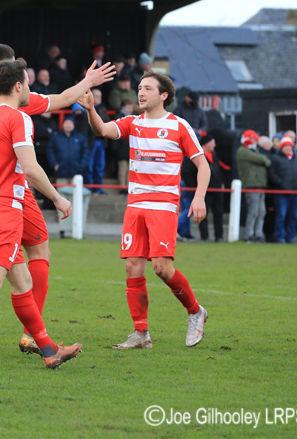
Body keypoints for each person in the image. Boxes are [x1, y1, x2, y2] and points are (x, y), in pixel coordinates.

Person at [0, 43, 114, 355]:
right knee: (33, 252)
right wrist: (87, 82)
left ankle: (41, 347)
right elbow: (60, 103)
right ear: (16, 80)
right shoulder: (18, 108)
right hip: (8, 197)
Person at [0, 59, 80, 371]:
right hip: (5, 209)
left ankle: (48, 349)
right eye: (28, 83)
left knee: (22, 284)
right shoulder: (18, 118)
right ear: (18, 86)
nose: (30, 89)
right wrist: (58, 198)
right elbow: (31, 169)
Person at [78, 70, 209, 350]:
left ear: (164, 95)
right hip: (135, 205)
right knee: (132, 266)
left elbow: (203, 165)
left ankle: (195, 311)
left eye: (148, 88)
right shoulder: (132, 124)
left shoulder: (179, 126)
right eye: (139, 87)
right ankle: (141, 334)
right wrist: (91, 109)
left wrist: (199, 198)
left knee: (162, 268)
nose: (141, 92)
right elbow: (102, 129)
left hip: (163, 206)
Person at [186, 132, 224, 242]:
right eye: (213, 143)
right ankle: (204, 236)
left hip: (216, 190)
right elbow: (187, 172)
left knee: (218, 213)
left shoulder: (214, 155)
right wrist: (196, 187)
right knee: (202, 214)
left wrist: (221, 182)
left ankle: (219, 236)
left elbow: (218, 171)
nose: (215, 145)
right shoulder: (196, 156)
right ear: (207, 144)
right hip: (204, 191)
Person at [269, 136, 297, 243]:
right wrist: (281, 184)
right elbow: (272, 174)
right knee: (281, 216)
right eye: (286, 147)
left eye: (290, 146)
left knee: (294, 216)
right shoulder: (276, 158)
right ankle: (280, 237)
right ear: (282, 148)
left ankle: (290, 237)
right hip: (282, 193)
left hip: (295, 192)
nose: (288, 148)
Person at [236, 130, 271, 243]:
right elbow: (262, 159)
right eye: (254, 139)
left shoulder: (252, 151)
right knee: (253, 212)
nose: (256, 141)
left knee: (261, 212)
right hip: (251, 186)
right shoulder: (243, 151)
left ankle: (258, 234)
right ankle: (249, 235)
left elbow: (264, 161)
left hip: (259, 186)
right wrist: (263, 159)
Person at [47, 117, 88, 185]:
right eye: (66, 123)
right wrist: (54, 165)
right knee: (61, 194)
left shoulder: (80, 137)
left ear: (74, 125)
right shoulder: (56, 137)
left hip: (77, 173)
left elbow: (86, 153)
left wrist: (81, 166)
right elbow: (50, 152)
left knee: (76, 194)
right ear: (63, 125)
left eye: (70, 123)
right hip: (61, 173)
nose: (68, 125)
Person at [111, 99, 135, 192]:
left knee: (130, 170)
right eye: (129, 107)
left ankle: (128, 188)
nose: (131, 109)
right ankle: (122, 188)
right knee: (122, 169)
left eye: (131, 107)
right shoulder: (118, 117)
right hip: (121, 148)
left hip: (131, 148)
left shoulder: (134, 118)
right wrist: (115, 148)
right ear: (123, 107)